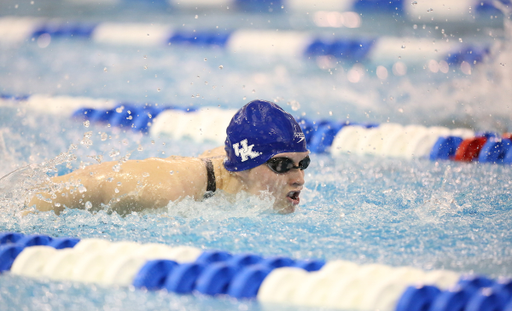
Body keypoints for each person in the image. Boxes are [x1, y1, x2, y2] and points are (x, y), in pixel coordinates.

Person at [27, 100, 310, 214]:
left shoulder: (239, 175)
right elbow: (91, 184)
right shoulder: (167, 190)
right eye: (282, 165)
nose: (298, 178)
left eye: (302, 163)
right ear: (243, 167)